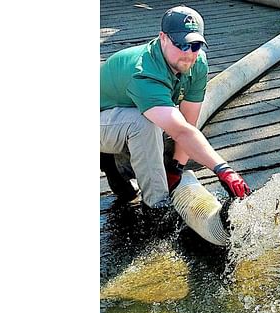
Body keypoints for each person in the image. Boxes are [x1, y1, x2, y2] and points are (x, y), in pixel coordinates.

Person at [100, 5, 251, 208]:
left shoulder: (196, 64)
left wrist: (176, 169)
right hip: (101, 121)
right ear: (163, 38)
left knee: (178, 143)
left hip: (127, 118)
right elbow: (181, 131)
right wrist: (223, 170)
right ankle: (157, 206)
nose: (188, 53)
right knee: (144, 125)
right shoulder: (144, 72)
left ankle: (120, 167)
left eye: (195, 45)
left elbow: (189, 123)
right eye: (181, 44)